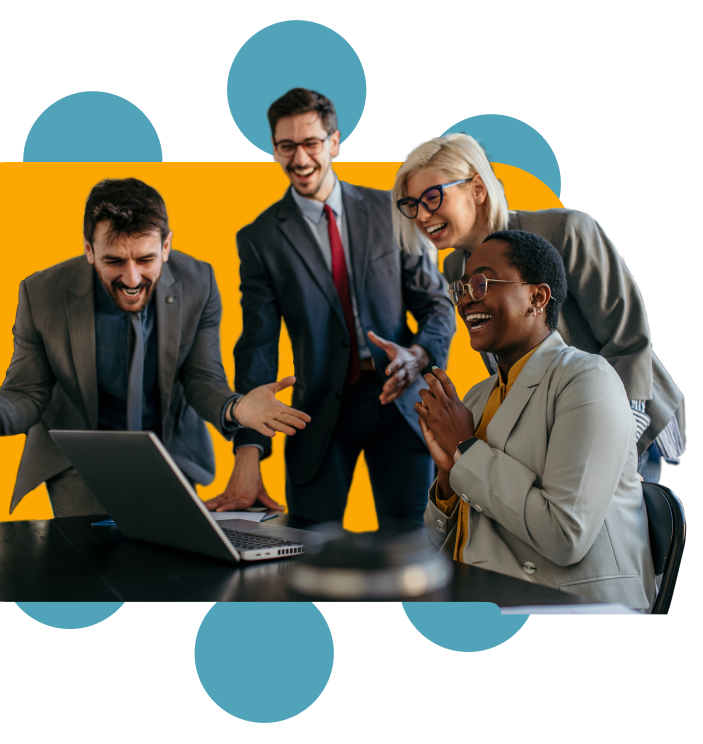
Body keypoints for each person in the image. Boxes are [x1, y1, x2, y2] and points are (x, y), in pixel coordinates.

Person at [0, 178, 311, 518]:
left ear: (167, 247)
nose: (132, 277)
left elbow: (202, 380)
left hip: (169, 453)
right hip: (80, 457)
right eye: (114, 261)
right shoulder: (41, 293)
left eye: (145, 259)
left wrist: (236, 407)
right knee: (96, 569)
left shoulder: (199, 281)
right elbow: (27, 395)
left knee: (174, 570)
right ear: (89, 250)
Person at [205, 88, 456, 526]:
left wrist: (416, 357)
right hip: (317, 414)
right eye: (287, 146)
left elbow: (435, 304)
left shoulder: (391, 210)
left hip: (399, 399)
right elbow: (257, 346)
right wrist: (249, 450)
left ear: (335, 143)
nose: (300, 159)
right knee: (306, 554)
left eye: (311, 144)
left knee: (414, 548)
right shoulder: (259, 238)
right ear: (274, 151)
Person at [392, 134, 684, 483]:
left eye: (433, 197)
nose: (422, 215)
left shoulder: (565, 230)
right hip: (558, 427)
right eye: (412, 204)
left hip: (629, 410)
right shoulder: (455, 269)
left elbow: (628, 342)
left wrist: (611, 442)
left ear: (477, 189)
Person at [417, 231, 656, 609]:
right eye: (461, 288)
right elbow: (442, 541)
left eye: (480, 283)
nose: (465, 300)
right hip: (482, 599)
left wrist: (466, 447)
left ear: (537, 298)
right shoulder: (478, 396)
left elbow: (565, 536)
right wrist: (448, 478)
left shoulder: (588, 379)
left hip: (568, 604)